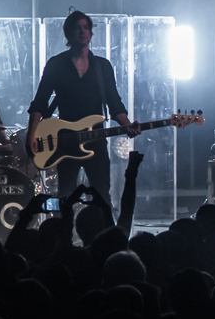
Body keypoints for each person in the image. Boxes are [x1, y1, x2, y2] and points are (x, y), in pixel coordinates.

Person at [26, 11, 139, 201]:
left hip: (95, 139)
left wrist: (127, 124)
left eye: (86, 27)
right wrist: (31, 134)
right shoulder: (56, 64)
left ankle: (101, 229)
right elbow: (40, 102)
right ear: (69, 33)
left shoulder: (102, 66)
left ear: (91, 32)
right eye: (77, 28)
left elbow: (114, 102)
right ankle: (65, 230)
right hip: (65, 140)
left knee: (102, 194)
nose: (83, 31)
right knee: (66, 195)